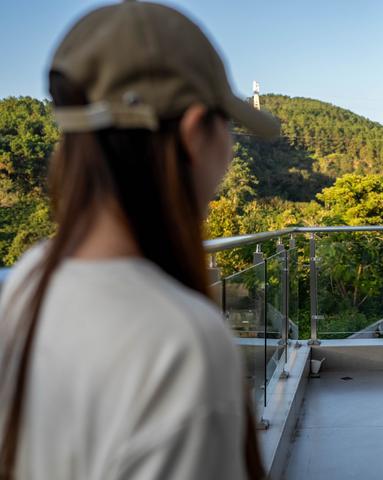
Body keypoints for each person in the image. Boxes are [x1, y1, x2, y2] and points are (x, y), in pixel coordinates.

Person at [0, 1, 280, 479]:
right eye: (228, 128)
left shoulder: (28, 280)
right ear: (193, 132)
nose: (230, 151)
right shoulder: (182, 347)